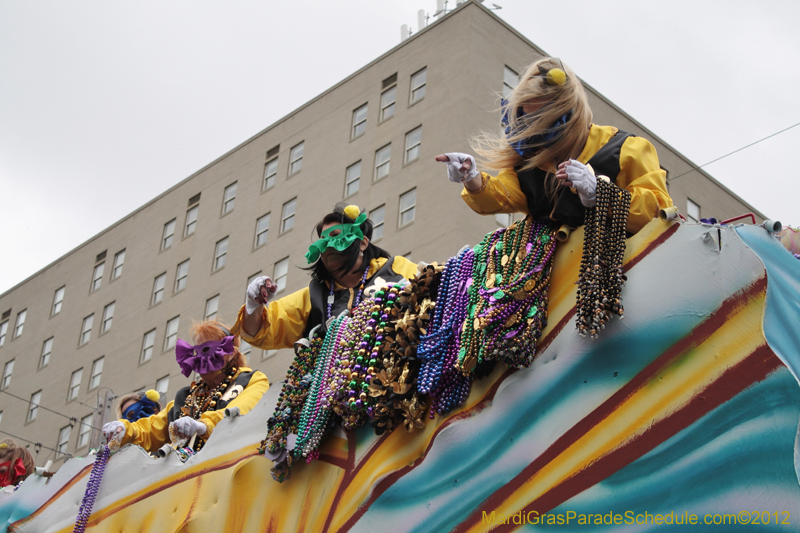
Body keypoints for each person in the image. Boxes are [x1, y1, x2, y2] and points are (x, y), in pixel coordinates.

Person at [436, 57, 673, 235]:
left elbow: (659, 212)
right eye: (528, 121)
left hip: (619, 273)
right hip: (551, 280)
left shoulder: (626, 149)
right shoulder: (528, 162)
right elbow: (503, 195)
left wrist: (600, 193)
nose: (535, 132)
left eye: (542, 122)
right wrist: (472, 177)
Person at [234, 204, 418, 348]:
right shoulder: (313, 296)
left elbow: (432, 284)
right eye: (323, 240)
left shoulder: (395, 268)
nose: (328, 245)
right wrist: (253, 303)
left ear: (362, 243)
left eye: (336, 235)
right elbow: (258, 331)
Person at [102, 320, 269, 454]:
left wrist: (204, 425)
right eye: (196, 352)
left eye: (206, 349)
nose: (200, 358)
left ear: (230, 352)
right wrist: (126, 429)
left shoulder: (251, 380)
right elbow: (151, 429)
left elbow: (241, 410)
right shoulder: (185, 398)